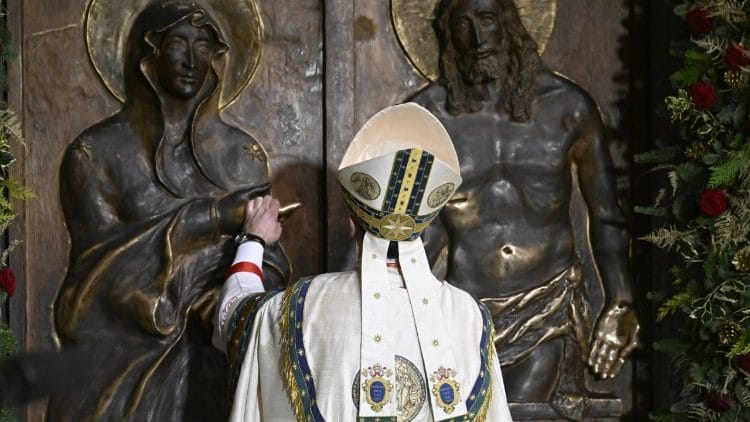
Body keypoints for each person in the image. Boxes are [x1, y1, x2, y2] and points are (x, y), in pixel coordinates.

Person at [49, 1, 290, 420]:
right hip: (124, 365)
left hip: (213, 359)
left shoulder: (241, 154)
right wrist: (211, 218)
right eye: (178, 43)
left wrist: (229, 297)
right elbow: (94, 277)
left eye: (204, 46)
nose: (192, 60)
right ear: (148, 54)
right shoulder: (96, 153)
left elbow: (270, 255)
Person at [410, 0, 639, 416]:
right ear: (446, 33)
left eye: (486, 19)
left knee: (523, 409)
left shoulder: (568, 108)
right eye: (462, 24)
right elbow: (414, 230)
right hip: (460, 309)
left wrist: (620, 301)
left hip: (548, 304)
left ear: (510, 23)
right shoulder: (426, 116)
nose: (477, 38)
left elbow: (606, 214)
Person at [214, 103, 512, 421]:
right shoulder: (472, 319)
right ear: (424, 227)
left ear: (351, 225)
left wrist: (253, 239)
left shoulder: (298, 308)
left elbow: (232, 316)